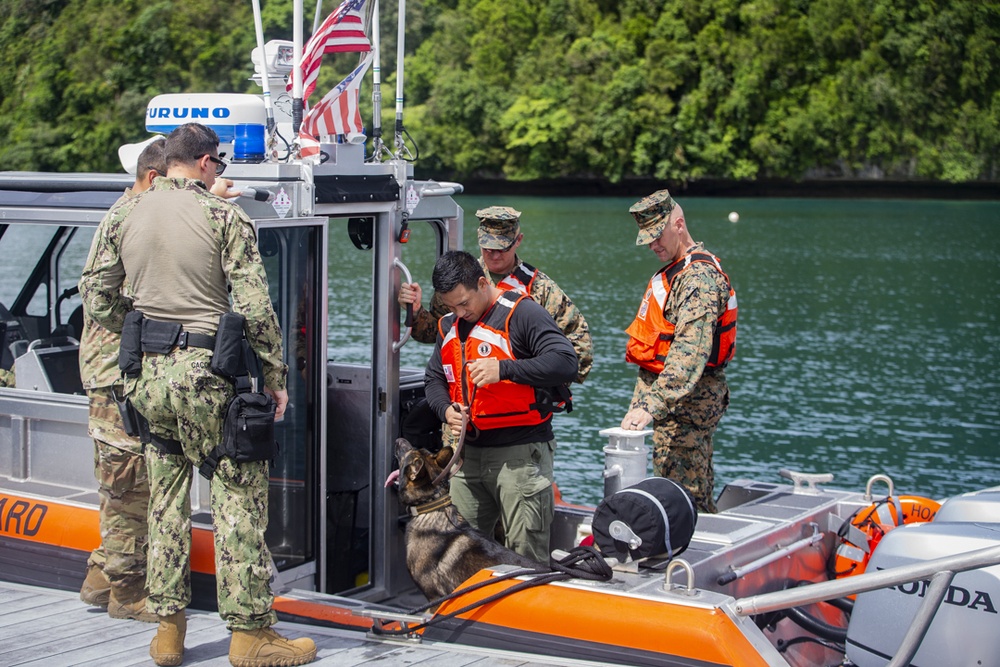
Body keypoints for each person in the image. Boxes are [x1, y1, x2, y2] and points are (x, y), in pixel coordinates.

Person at [79, 123, 316, 667]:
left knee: (164, 504)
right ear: (208, 163)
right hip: (208, 377)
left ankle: (167, 632)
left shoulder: (124, 212)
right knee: (238, 500)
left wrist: (139, 329)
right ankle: (251, 633)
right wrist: (276, 378)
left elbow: (96, 295)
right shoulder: (225, 217)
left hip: (146, 379)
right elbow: (256, 308)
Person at [423, 251, 578, 562]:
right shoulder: (448, 327)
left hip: (519, 455)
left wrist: (505, 369)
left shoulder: (522, 313)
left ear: (482, 283)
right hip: (468, 457)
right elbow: (434, 378)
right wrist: (446, 410)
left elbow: (566, 361)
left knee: (526, 554)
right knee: (460, 553)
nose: (459, 312)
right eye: (451, 306)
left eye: (464, 303)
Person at [77, 138, 167, 623]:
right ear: (153, 179)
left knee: (134, 482)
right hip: (114, 374)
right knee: (127, 485)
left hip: (121, 370)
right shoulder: (130, 221)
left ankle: (100, 574)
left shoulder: (136, 214)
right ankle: (127, 594)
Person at [620, 190, 737, 514]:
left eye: (658, 236)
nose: (653, 245)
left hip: (685, 407)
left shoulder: (698, 279)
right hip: (666, 404)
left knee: (686, 498)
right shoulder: (678, 270)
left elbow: (690, 352)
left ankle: (694, 560)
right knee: (667, 490)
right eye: (648, 240)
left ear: (679, 225)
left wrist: (651, 406)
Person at [400, 206, 593, 385]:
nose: (494, 256)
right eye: (487, 249)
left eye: (502, 249)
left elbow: (579, 354)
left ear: (518, 240)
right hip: (467, 399)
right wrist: (416, 312)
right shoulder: (461, 278)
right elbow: (436, 332)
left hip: (519, 401)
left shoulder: (540, 288)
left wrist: (527, 376)